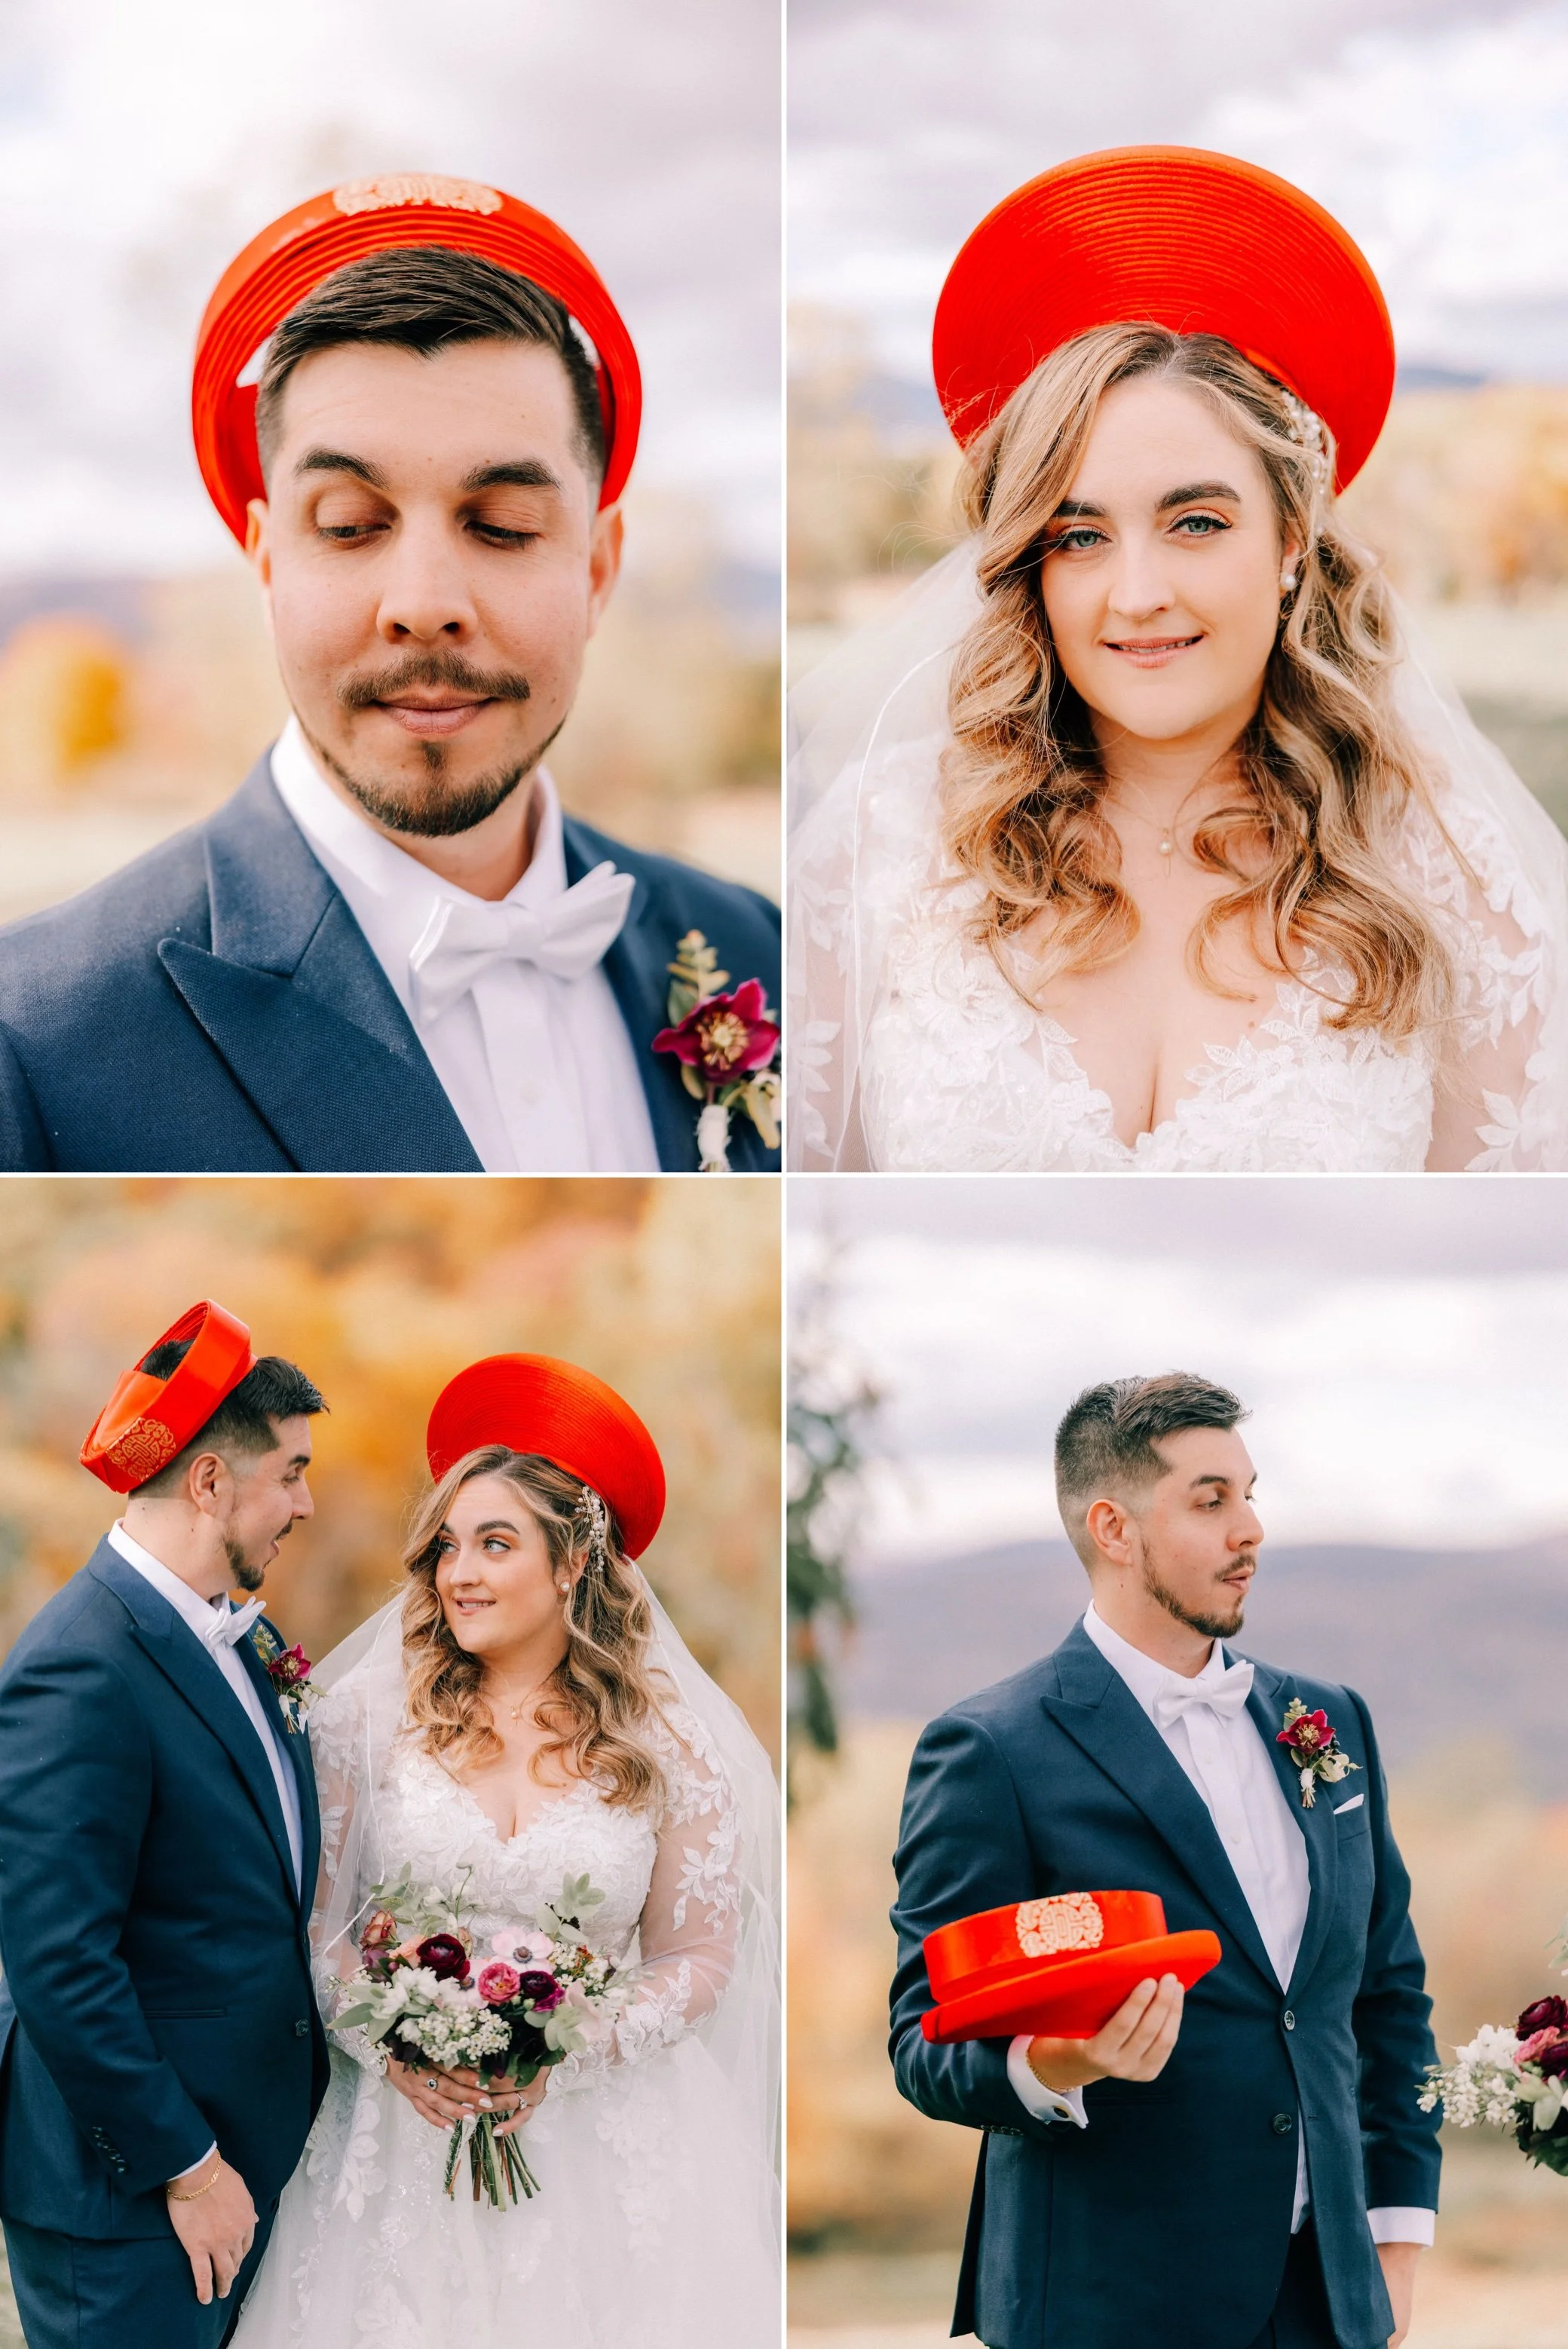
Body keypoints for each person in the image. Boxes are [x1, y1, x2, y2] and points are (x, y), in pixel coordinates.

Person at [789, 146, 1568, 1171]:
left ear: (1292, 540)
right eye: (1079, 535)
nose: (1139, 591)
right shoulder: (884, 844)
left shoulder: (1449, 878)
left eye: (1196, 522)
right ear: (1031, 560)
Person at [0, 178, 779, 1174]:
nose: (423, 601)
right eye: (349, 527)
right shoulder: (31, 1036)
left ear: (596, 570)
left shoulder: (756, 946)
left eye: (502, 526)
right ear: (269, 563)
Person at [231, 1352, 779, 2348]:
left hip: (611, 2150)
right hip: (401, 2143)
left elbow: (698, 1958)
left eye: (495, 1543)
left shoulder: (669, 1746)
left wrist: (564, 2048)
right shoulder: (364, 1721)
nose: (461, 1574)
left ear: (574, 1563)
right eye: (447, 1547)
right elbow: (314, 1927)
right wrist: (394, 2042)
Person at [889, 1374, 1439, 2349]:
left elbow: (1384, 1996)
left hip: (1332, 2301)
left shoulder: (1330, 1722)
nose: (1251, 1530)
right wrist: (1059, 2063)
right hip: (1109, 2304)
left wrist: (1393, 2244)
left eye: (1251, 1493)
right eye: (1211, 1499)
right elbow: (923, 2043)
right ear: (1114, 1527)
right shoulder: (990, 1751)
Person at [0, 1302, 330, 2348]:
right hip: (136, 2202)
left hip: (247, 2166)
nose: (307, 1503)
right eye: (290, 1473)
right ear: (209, 1482)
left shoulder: (246, 1637)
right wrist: (189, 2172)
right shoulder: (78, 1668)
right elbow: (59, 1960)